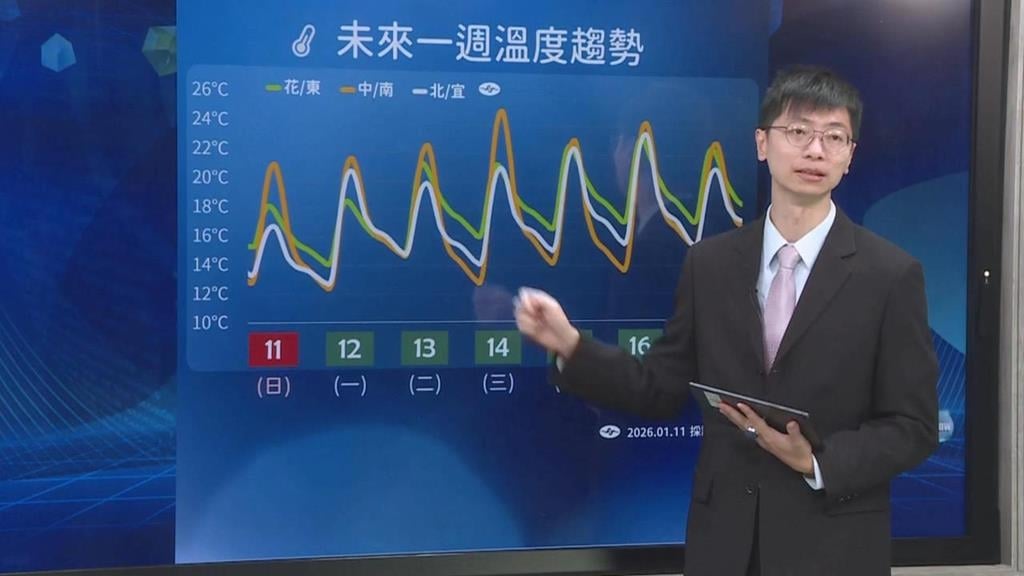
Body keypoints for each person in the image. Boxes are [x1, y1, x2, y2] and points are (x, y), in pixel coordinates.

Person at [514, 65, 939, 576]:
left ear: (850, 156)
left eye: (834, 137)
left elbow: (913, 426)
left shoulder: (890, 275)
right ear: (762, 143)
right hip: (726, 546)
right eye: (798, 131)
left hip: (834, 547)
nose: (815, 150)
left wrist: (817, 461)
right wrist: (571, 346)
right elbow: (659, 388)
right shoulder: (710, 264)